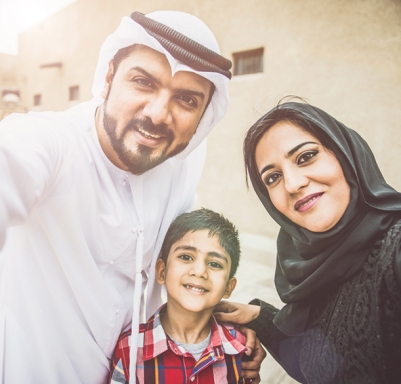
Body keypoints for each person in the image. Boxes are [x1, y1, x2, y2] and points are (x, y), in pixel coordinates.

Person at [0, 10, 265, 383]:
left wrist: (226, 335)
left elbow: (186, 266)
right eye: (142, 81)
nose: (158, 114)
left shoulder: (178, 166)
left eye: (187, 100)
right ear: (108, 77)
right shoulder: (51, 142)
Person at [214, 100, 401, 383]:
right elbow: (323, 367)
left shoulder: (393, 250)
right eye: (273, 177)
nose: (292, 184)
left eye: (305, 157)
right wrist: (258, 316)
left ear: (345, 154)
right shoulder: (311, 270)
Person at [109, 208, 253, 384]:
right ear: (162, 271)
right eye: (186, 257)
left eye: (214, 263)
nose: (199, 271)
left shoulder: (239, 348)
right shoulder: (130, 349)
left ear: (228, 287)